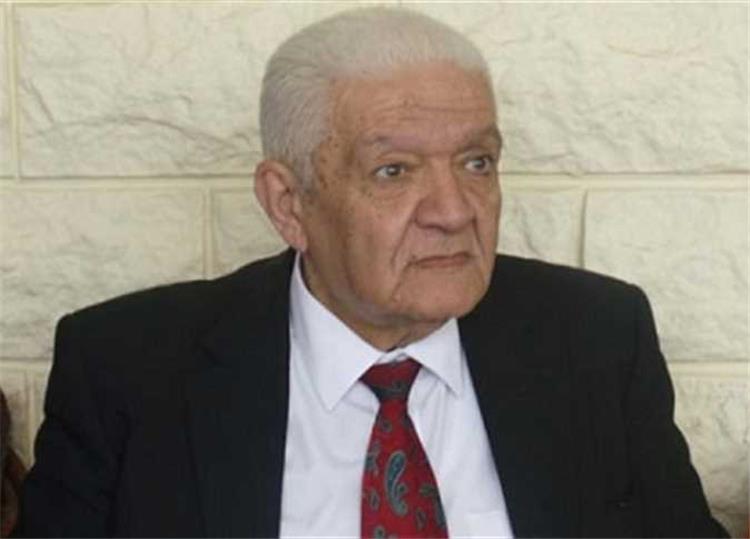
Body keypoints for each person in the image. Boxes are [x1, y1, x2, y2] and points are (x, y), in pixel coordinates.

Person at [16, 7, 727, 538]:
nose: (454, 210)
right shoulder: (127, 371)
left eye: (477, 161)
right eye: (394, 171)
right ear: (288, 203)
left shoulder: (597, 339)